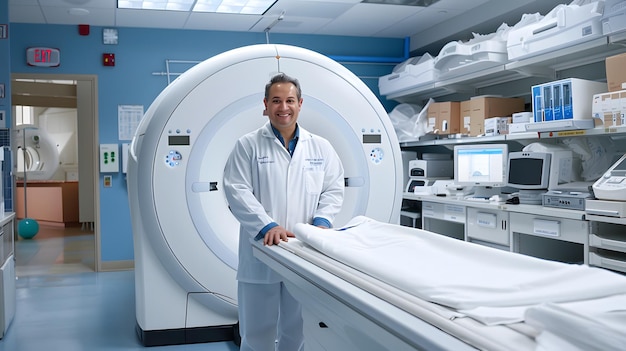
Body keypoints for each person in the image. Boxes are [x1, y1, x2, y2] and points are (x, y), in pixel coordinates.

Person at [223, 73, 345, 351]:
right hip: (261, 252)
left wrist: (323, 222)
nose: (283, 107)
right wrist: (268, 226)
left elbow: (334, 188)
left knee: (298, 331)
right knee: (256, 334)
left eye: (290, 100)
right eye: (276, 101)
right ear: (265, 105)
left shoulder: (321, 147)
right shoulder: (247, 145)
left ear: (300, 104)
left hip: (304, 252)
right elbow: (237, 191)